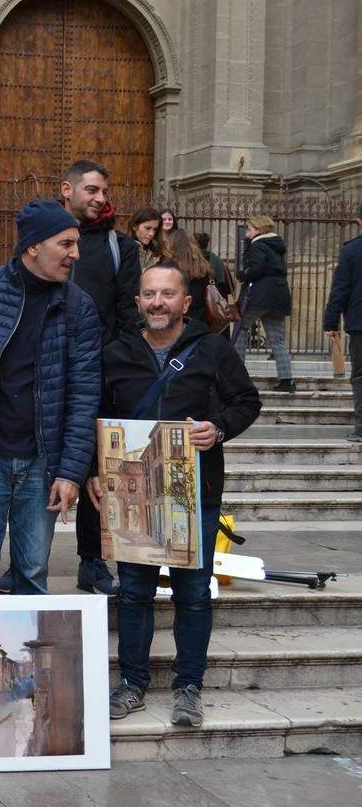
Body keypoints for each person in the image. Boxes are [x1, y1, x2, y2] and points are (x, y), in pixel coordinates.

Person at [97, 262, 261, 728]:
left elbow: (247, 400)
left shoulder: (211, 350)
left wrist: (220, 428)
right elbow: (98, 413)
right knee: (133, 594)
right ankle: (132, 684)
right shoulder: (117, 353)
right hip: (132, 494)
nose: (157, 302)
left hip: (196, 494)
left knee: (192, 595)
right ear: (138, 302)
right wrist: (95, 472)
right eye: (149, 294)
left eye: (167, 294)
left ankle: (189, 688)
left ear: (185, 303)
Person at [0, 199, 102, 596]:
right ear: (32, 247)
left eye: (76, 243)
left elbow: (84, 393)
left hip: (43, 461)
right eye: (66, 244)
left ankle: (30, 657)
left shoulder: (79, 307)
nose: (75, 253)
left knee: (32, 570)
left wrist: (71, 471)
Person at [59, 159, 140, 596]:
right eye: (91, 190)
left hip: (100, 373)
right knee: (42, 469)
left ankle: (93, 560)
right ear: (66, 191)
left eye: (103, 191)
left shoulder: (119, 246)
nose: (100, 198)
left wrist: (116, 367)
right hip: (50, 371)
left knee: (97, 471)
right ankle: (23, 563)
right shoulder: (42, 238)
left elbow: (128, 314)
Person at [235, 215, 296, 393]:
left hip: (259, 296)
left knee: (240, 328)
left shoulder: (258, 245)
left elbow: (256, 269)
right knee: (277, 339)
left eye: (249, 228)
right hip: (278, 296)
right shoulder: (277, 246)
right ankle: (287, 380)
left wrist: (242, 275)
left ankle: (237, 374)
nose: (247, 232)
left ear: (258, 229)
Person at [324, 206, 362, 443]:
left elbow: (340, 290)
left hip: (360, 323)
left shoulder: (352, 251)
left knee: (360, 376)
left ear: (358, 221)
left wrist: (331, 322)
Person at [163, 228, 215, 327]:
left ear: (171, 245)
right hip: (199, 319)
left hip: (175, 318)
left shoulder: (167, 267)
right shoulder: (203, 265)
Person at [127, 207, 164, 272]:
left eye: (155, 229)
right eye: (147, 228)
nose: (151, 233)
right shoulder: (123, 249)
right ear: (134, 226)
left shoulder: (156, 250)